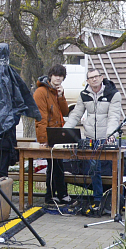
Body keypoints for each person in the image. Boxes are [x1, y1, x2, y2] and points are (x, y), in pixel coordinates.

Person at [63, 68, 123, 214]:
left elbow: (114, 116)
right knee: (93, 169)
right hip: (90, 137)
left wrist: (111, 135)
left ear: (101, 78)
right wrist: (63, 131)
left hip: (106, 137)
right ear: (88, 81)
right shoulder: (84, 95)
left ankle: (113, 200)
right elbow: (76, 114)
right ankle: (97, 199)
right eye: (91, 78)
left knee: (111, 169)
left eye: (97, 76)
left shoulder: (113, 94)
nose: (94, 79)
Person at [33, 64, 71, 205]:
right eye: (56, 75)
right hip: (49, 135)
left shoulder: (57, 91)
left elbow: (65, 112)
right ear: (50, 76)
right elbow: (40, 117)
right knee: (53, 166)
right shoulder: (41, 92)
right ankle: (52, 195)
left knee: (58, 165)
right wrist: (43, 139)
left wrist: (61, 96)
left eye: (61, 76)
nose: (58, 79)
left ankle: (58, 194)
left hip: (58, 134)